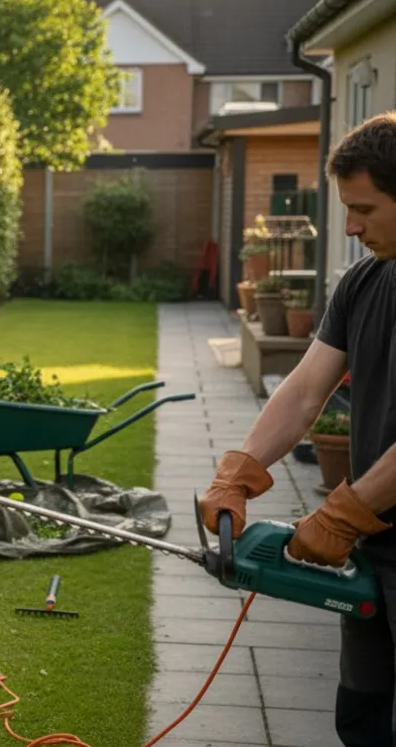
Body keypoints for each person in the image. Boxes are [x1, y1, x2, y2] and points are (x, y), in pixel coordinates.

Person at [197, 110, 396, 745]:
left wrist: (343, 513)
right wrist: (240, 472)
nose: (351, 227)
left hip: (364, 523)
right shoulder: (364, 282)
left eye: (364, 209)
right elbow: (307, 390)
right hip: (375, 544)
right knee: (361, 716)